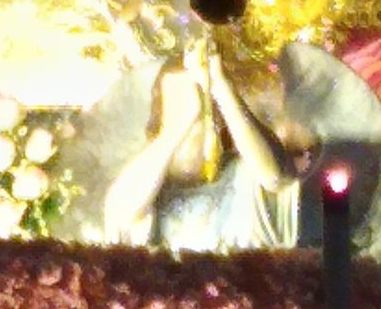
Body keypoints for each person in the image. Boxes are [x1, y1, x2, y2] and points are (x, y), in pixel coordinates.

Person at [101, 40, 300, 251]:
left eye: (204, 118)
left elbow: (275, 176)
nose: (193, 138)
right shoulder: (148, 193)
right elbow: (119, 211)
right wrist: (178, 126)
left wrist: (223, 90)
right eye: (183, 118)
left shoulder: (248, 174)